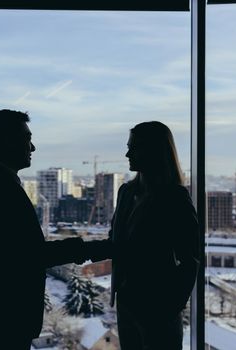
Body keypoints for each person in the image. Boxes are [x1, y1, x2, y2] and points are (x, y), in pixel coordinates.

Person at [0, 109, 86, 349]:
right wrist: (92, 248)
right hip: (5, 319)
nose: (32, 148)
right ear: (7, 141)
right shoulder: (1, 189)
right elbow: (32, 255)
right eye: (27, 139)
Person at [86, 121, 200, 350]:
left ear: (153, 151)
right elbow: (116, 243)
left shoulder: (174, 198)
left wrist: (169, 306)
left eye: (134, 147)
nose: (127, 153)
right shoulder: (127, 192)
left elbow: (191, 258)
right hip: (127, 304)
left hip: (158, 310)